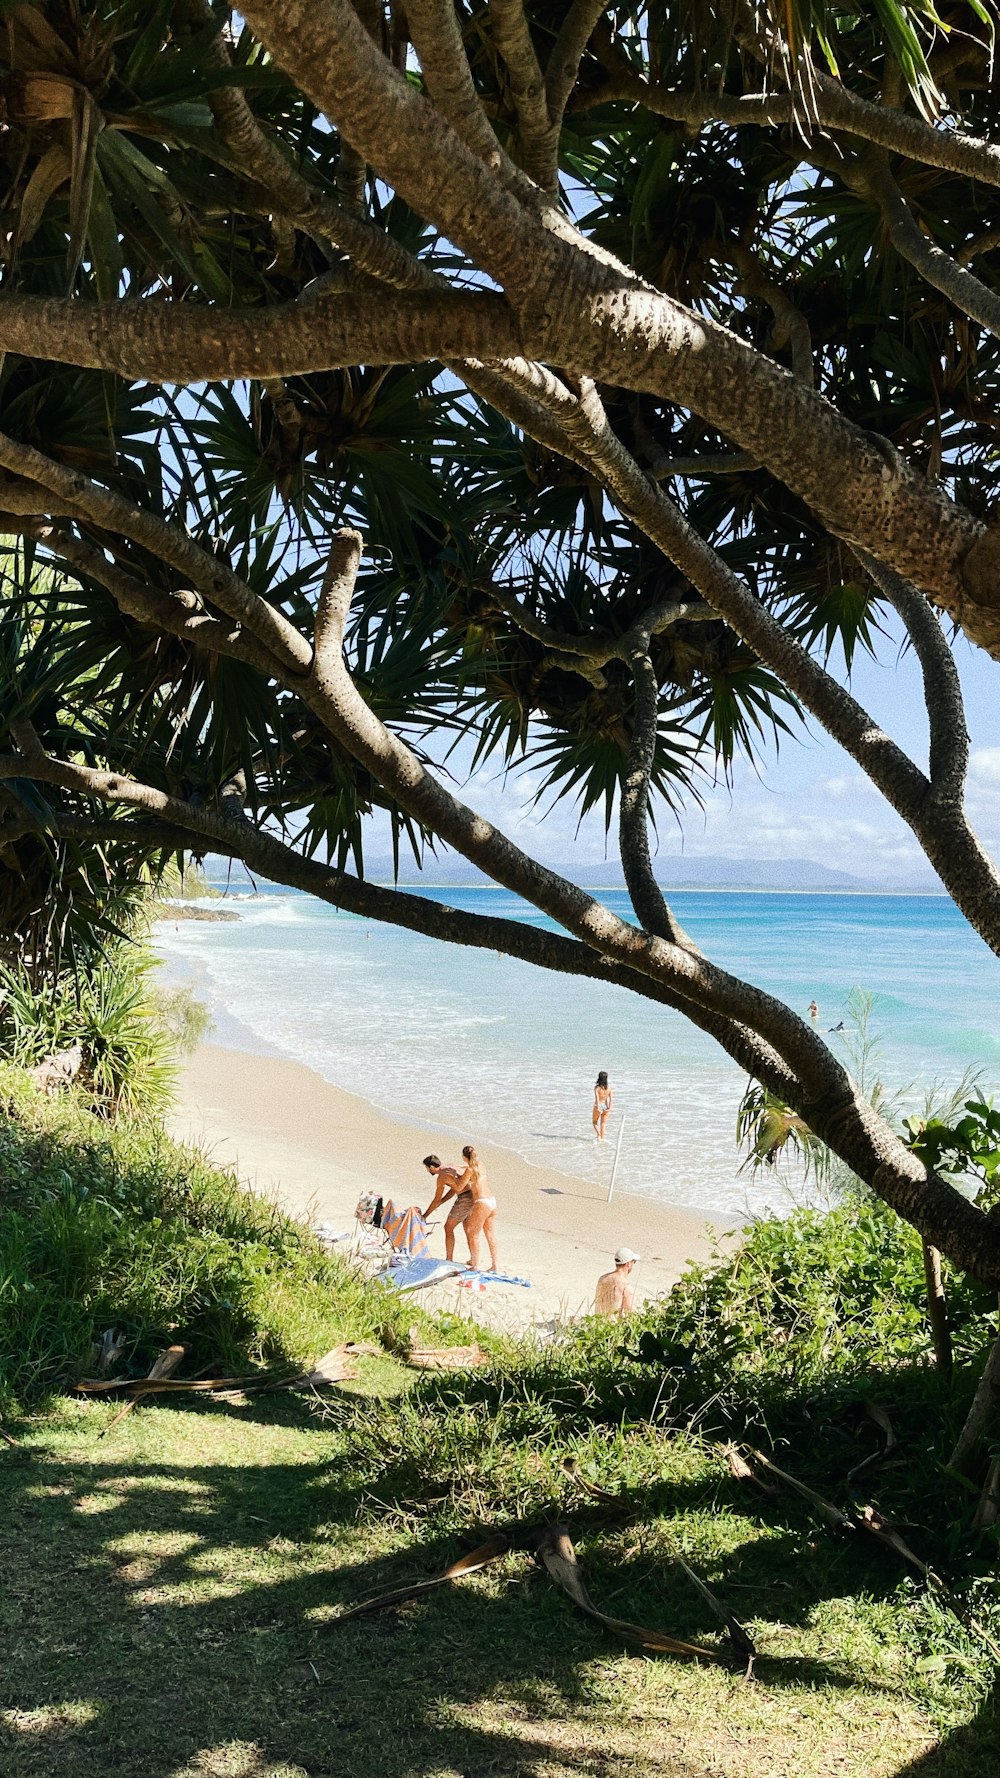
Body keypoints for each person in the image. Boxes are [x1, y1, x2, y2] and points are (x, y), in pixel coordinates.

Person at [453, 1143, 499, 1273]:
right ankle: (495, 1265)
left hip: (482, 1202)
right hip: (492, 1201)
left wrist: (453, 1177)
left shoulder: (469, 1170)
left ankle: (475, 1265)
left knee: (473, 1234)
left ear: (463, 1156)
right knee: (490, 1235)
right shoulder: (481, 1165)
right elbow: (471, 1168)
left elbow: (459, 1187)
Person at [421, 1154, 472, 1263]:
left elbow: (436, 1199)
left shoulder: (441, 1177)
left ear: (431, 1167)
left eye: (426, 1168)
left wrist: (424, 1216)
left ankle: (449, 1259)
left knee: (448, 1227)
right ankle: (473, 1259)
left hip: (465, 1199)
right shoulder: (451, 1166)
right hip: (474, 1195)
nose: (427, 1171)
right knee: (468, 1229)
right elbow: (454, 1189)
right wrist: (442, 1202)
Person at [594, 1247, 639, 1317]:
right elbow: (631, 1312)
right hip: (613, 1326)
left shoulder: (602, 1279)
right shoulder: (626, 1286)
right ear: (628, 1264)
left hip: (597, 1324)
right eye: (634, 1262)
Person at [593, 1070, 613, 1141]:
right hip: (605, 1106)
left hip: (599, 1105)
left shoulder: (597, 1088)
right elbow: (610, 1099)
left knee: (594, 1122)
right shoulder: (609, 1088)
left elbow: (597, 1099)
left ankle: (598, 1135)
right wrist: (609, 1108)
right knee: (603, 1124)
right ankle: (602, 1138)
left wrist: (598, 1107)